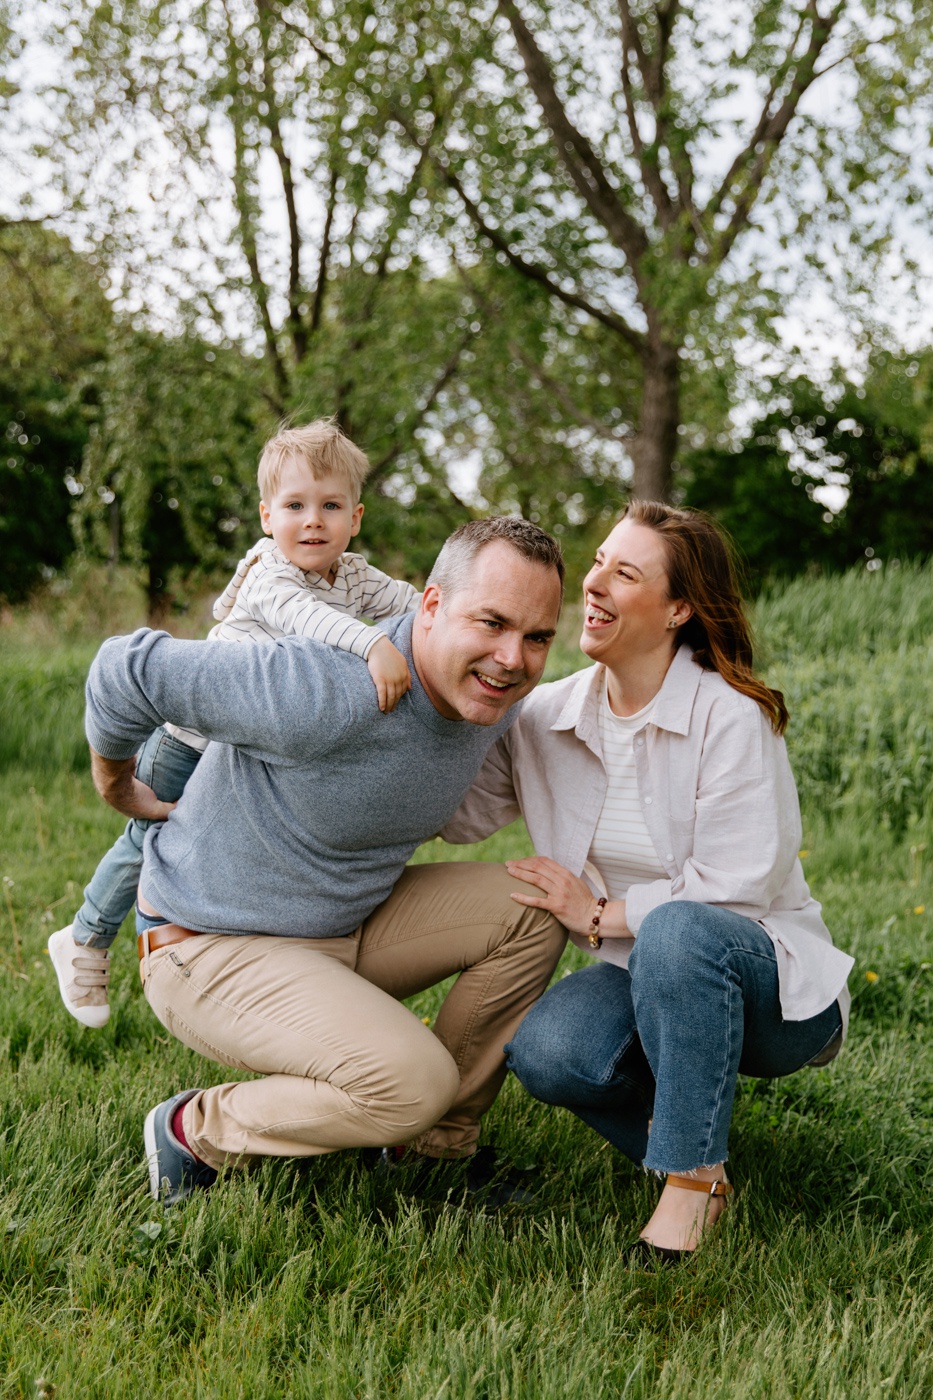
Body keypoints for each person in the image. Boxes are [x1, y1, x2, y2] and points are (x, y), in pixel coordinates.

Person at [82, 516, 567, 1205]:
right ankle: (197, 1131)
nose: (512, 658)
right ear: (429, 606)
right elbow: (125, 668)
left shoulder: (492, 699)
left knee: (531, 914)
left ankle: (428, 1152)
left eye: (536, 636)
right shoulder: (326, 688)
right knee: (415, 1080)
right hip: (213, 945)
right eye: (490, 623)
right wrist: (115, 780)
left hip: (340, 926)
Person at [443, 501, 854, 1263]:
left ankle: (687, 1188)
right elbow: (460, 816)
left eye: (622, 573)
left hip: (774, 993)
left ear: (677, 610)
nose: (591, 584)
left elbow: (735, 885)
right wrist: (426, 687)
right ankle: (706, 1159)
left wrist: (598, 912)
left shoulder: (728, 716)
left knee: (676, 929)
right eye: (596, 561)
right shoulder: (546, 716)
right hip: (640, 976)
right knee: (548, 1049)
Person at [49, 419, 422, 1029]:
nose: (312, 521)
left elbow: (410, 602)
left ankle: (248, 939)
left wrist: (452, 615)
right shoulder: (273, 576)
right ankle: (86, 939)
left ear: (356, 517)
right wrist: (373, 648)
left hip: (246, 749)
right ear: (266, 517)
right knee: (147, 841)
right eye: (294, 505)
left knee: (213, 843)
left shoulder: (353, 574)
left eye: (330, 506)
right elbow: (306, 619)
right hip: (187, 740)